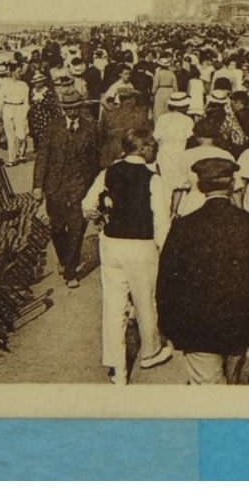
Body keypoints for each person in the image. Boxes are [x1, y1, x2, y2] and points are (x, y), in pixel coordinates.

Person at [156, 156, 249, 385]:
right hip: (241, 323)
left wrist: (167, 324)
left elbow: (166, 281)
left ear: (200, 187)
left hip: (196, 326)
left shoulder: (182, 227)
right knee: (234, 384)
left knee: (210, 392)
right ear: (231, 185)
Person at [82, 128, 175, 384]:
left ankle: (117, 368)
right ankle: (150, 351)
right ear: (143, 149)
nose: (154, 151)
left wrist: (99, 220)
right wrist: (165, 252)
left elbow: (88, 205)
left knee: (113, 306)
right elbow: (162, 223)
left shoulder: (108, 173)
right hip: (141, 246)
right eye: (152, 147)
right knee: (145, 300)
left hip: (111, 244)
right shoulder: (153, 179)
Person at [32, 78, 101, 288]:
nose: (71, 112)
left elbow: (95, 160)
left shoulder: (91, 129)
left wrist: (96, 188)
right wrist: (37, 186)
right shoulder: (53, 128)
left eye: (75, 108)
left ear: (80, 108)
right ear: (62, 108)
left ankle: (71, 271)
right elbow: (42, 157)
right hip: (55, 186)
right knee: (56, 228)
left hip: (80, 186)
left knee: (77, 227)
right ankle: (64, 258)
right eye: (67, 108)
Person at [0, 60, 31, 165]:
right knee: (10, 136)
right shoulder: (5, 85)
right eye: (18, 72)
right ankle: (12, 159)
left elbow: (27, 101)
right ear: (12, 72)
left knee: (22, 134)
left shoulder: (24, 85)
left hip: (20, 109)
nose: (21, 74)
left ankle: (22, 154)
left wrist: (25, 111)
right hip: (8, 108)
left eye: (21, 71)